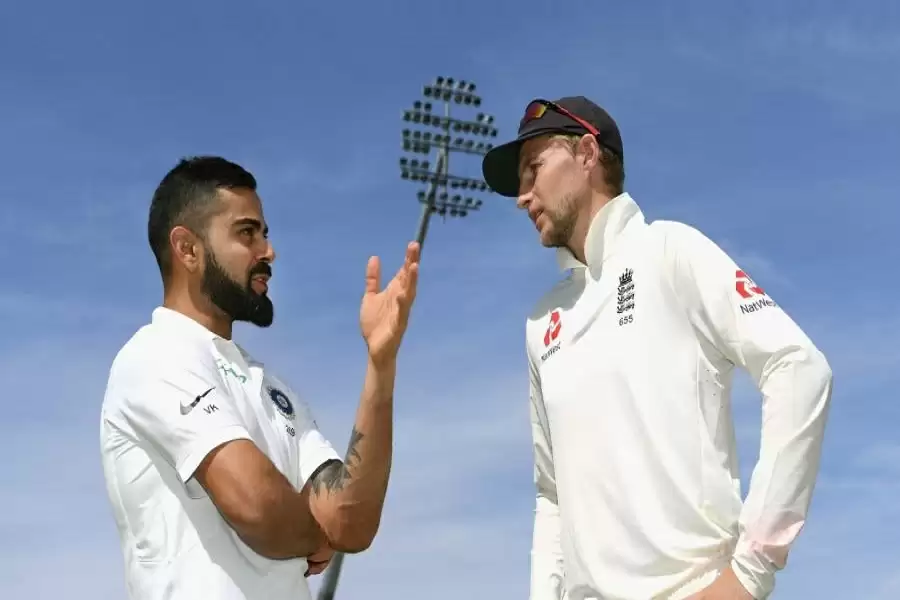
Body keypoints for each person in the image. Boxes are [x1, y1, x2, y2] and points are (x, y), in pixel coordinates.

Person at [481, 97, 833, 600]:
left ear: (586, 154)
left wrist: (751, 571)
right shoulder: (542, 321)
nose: (522, 196)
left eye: (533, 169)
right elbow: (551, 493)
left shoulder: (669, 250)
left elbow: (799, 368)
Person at [99, 156, 420, 600]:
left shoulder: (273, 389)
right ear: (188, 249)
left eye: (265, 234)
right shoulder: (153, 355)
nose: (268, 251)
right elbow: (257, 507)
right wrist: (317, 537)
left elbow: (351, 522)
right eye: (247, 233)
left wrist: (381, 364)